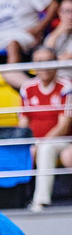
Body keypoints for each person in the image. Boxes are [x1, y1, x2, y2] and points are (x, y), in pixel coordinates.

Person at [17, 47, 72, 212]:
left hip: (63, 141)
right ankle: (13, 200)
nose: (45, 66)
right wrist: (26, 143)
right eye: (40, 62)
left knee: (46, 148)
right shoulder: (27, 88)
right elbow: (23, 123)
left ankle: (40, 202)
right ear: (33, 65)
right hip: (34, 141)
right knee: (15, 150)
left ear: (56, 64)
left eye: (49, 61)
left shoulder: (66, 87)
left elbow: (63, 126)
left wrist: (40, 144)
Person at [43, 0, 72, 80]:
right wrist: (58, 32)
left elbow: (66, 58)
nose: (70, 16)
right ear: (59, 12)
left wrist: (49, 61)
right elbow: (45, 53)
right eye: (67, 11)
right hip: (53, 78)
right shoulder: (56, 33)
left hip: (67, 77)